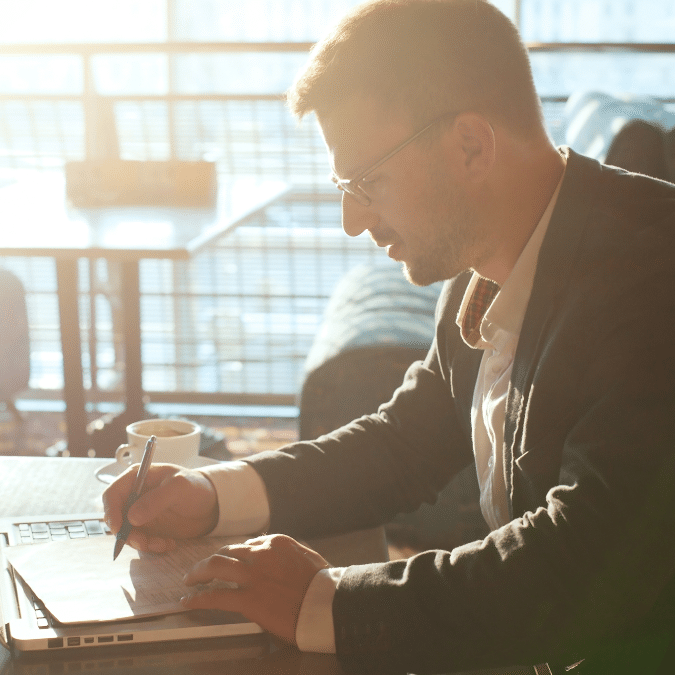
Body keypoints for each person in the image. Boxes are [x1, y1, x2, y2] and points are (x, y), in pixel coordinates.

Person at [103, 1, 675, 673]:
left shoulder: (649, 280)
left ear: (469, 146)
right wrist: (216, 495)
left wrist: (326, 603)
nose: (352, 220)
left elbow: (582, 563)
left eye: (365, 182)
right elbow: (407, 438)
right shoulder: (489, 264)